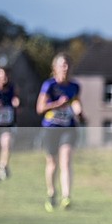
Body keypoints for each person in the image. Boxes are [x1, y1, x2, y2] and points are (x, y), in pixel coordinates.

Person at [36, 53, 83, 211]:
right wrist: (56, 104)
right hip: (51, 128)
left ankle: (66, 197)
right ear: (54, 68)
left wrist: (79, 112)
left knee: (66, 159)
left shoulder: (74, 86)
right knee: (52, 163)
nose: (66, 68)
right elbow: (40, 108)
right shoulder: (48, 85)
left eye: (68, 65)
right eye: (63, 65)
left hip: (68, 128)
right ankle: (51, 193)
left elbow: (76, 103)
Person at [0, 66, 20, 181]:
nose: (5, 78)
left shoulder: (12, 88)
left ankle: (4, 165)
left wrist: (16, 103)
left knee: (7, 143)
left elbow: (16, 99)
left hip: (8, 123)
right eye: (2, 76)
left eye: (6, 76)